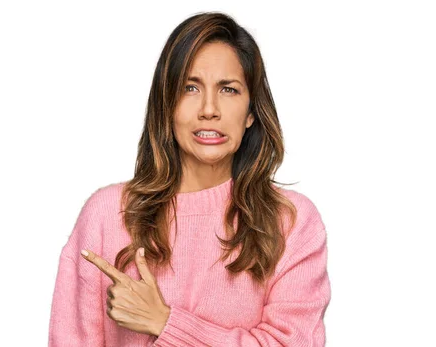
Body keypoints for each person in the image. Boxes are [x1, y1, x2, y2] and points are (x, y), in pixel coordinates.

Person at [48, 11, 331, 346]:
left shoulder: (292, 222)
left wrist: (165, 323)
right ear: (167, 106)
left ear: (252, 112)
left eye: (228, 89)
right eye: (190, 87)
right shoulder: (108, 215)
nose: (209, 109)